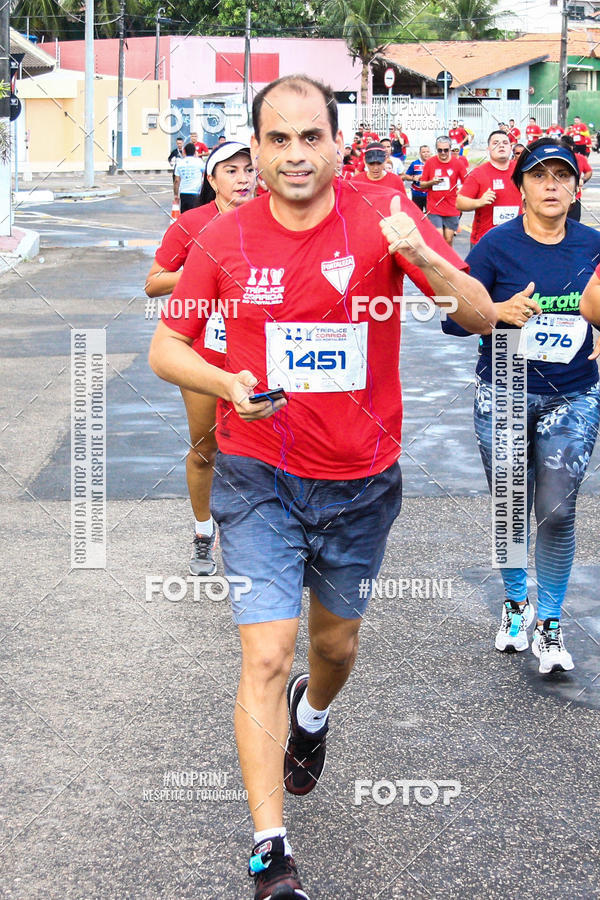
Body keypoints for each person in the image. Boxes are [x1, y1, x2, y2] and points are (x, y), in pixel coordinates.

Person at [148, 74, 497, 899]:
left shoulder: (384, 215)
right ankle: (271, 853)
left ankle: (313, 714)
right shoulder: (221, 240)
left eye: (313, 137)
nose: (297, 155)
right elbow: (168, 347)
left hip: (359, 482)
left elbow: (481, 313)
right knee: (265, 651)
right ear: (255, 150)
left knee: (332, 647)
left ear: (340, 141)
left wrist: (415, 252)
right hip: (256, 470)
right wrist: (228, 384)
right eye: (279, 139)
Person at [445, 138, 600, 675]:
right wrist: (496, 309)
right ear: (522, 187)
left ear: (577, 186)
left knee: (557, 508)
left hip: (574, 391)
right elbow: (452, 316)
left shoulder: (593, 245)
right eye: (540, 176)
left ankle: (551, 620)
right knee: (512, 506)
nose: (552, 185)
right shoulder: (494, 245)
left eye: (562, 176)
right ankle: (516, 605)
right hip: (506, 386)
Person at [146, 143, 255, 574]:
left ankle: (270, 535)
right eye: (231, 170)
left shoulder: (271, 217)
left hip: (262, 352)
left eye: (249, 169)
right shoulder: (192, 223)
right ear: (212, 180)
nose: (244, 178)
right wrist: (203, 269)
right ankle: (203, 530)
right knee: (206, 447)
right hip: (204, 358)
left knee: (269, 448)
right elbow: (153, 283)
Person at [457, 129, 522, 246]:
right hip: (486, 242)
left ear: (510, 149)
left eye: (505, 143)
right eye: (496, 143)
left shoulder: (522, 170)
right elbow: (460, 203)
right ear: (488, 150)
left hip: (515, 241)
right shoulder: (478, 173)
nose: (501, 145)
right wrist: (479, 202)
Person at [420, 135, 468, 245]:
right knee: (438, 237)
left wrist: (461, 190)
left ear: (450, 149)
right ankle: (437, 262)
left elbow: (467, 183)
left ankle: (448, 261)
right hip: (434, 206)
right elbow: (422, 184)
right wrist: (432, 182)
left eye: (446, 150)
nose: (443, 153)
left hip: (451, 207)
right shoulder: (430, 162)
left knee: (448, 239)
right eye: (439, 150)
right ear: (436, 149)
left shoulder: (458, 163)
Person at [562, 134, 592, 221]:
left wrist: (583, 179)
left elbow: (589, 171)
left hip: (575, 197)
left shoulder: (580, 158)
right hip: (558, 197)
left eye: (568, 147)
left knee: (574, 223)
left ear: (572, 147)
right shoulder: (555, 159)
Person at [173, 142, 206, 213]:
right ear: (195, 151)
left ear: (184, 151)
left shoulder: (180, 163)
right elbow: (206, 174)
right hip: (196, 193)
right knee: (195, 215)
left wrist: (176, 194)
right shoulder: (199, 162)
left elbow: (176, 181)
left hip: (184, 193)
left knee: (184, 215)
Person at [403, 144, 431, 212]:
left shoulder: (433, 163)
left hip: (429, 194)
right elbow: (406, 176)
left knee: (430, 215)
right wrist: (413, 178)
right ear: (420, 153)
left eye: (427, 152)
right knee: (417, 214)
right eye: (423, 152)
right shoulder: (414, 163)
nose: (426, 154)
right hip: (417, 193)